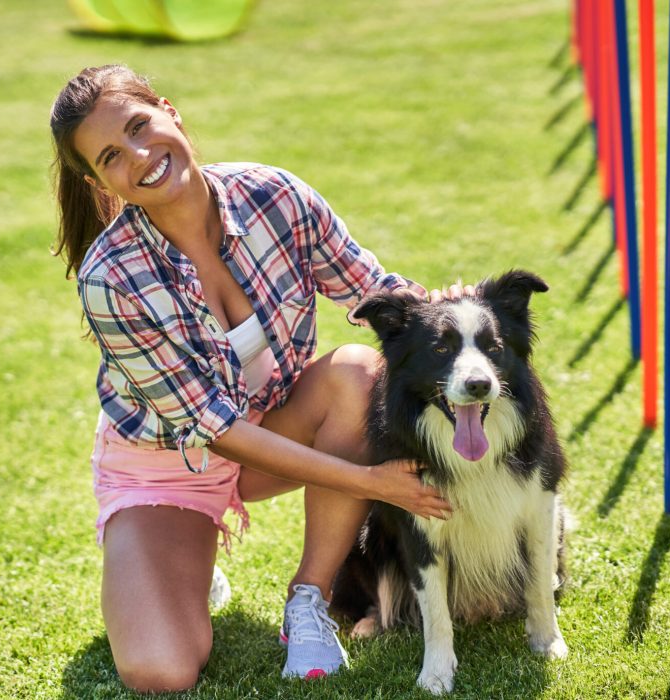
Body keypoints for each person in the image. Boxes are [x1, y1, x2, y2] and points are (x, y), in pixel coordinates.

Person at [50, 64, 465, 693]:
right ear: (96, 179)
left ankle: (308, 601)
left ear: (169, 111)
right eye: (112, 156)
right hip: (165, 471)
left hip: (277, 430)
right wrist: (369, 482)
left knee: (358, 370)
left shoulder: (273, 195)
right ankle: (181, 562)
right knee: (161, 671)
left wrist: (446, 316)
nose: (140, 156)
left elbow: (372, 292)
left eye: (141, 126)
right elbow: (213, 429)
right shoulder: (111, 277)